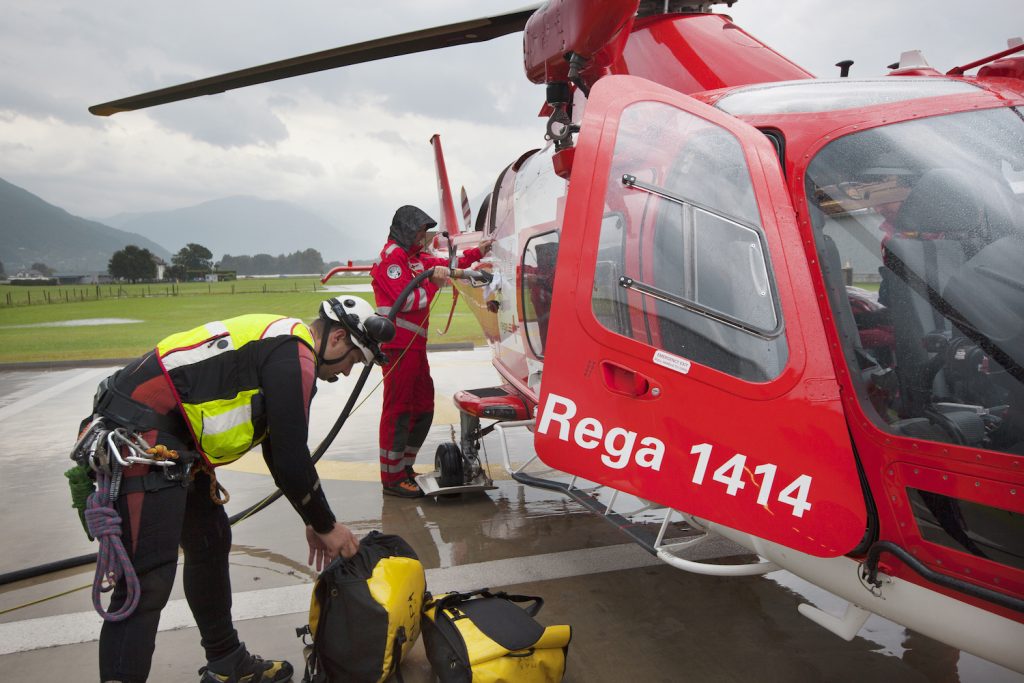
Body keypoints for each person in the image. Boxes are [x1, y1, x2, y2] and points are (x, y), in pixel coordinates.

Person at [77, 297, 394, 683]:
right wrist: (327, 525)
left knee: (209, 541)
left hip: (174, 439)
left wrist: (314, 519)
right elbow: (292, 458)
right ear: (339, 338)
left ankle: (227, 663)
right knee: (146, 581)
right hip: (141, 433)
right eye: (354, 361)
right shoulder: (295, 354)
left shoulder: (288, 350)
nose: (347, 373)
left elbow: (279, 452)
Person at [370, 205, 492, 497]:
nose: (425, 237)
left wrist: (479, 252)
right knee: (398, 410)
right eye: (421, 232)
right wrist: (435, 285)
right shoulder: (393, 259)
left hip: (414, 348)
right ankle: (392, 478)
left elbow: (445, 263)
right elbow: (408, 300)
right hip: (397, 348)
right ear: (408, 230)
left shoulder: (415, 258)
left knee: (423, 406)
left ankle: (405, 466)